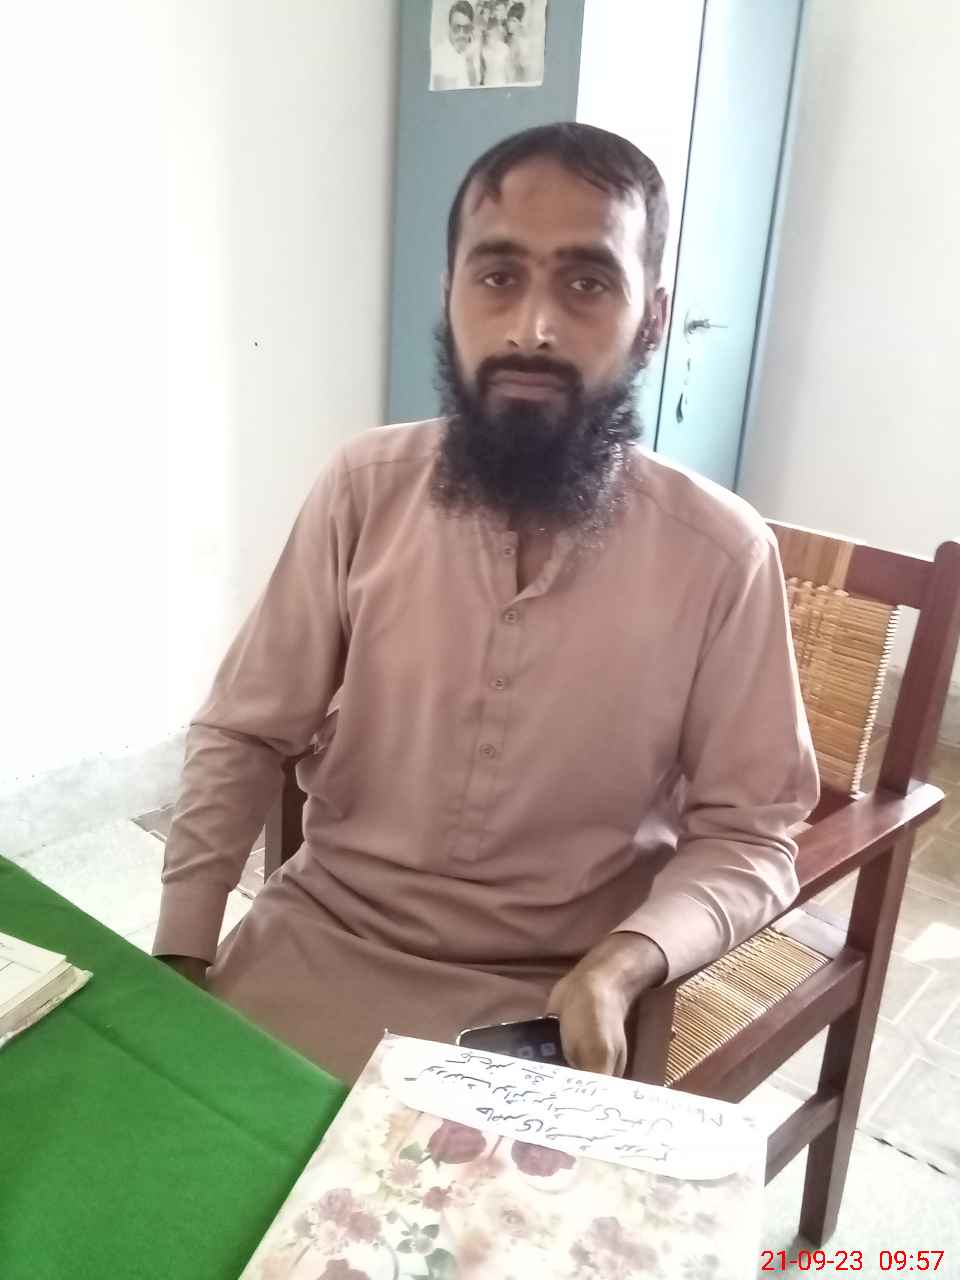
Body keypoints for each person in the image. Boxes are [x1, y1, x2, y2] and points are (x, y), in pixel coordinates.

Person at [154, 123, 819, 1085]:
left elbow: (752, 835)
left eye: (587, 282)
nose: (531, 329)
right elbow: (245, 730)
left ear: (652, 318)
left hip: (557, 1001)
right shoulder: (362, 489)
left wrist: (625, 963)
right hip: (317, 942)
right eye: (498, 276)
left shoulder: (723, 555)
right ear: (449, 294)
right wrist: (180, 951)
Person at [431, 1, 480, 90]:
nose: (461, 34)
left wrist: (469, 63)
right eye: (457, 28)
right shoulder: (438, 55)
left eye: (466, 28)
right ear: (449, 27)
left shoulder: (473, 53)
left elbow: (476, 89)